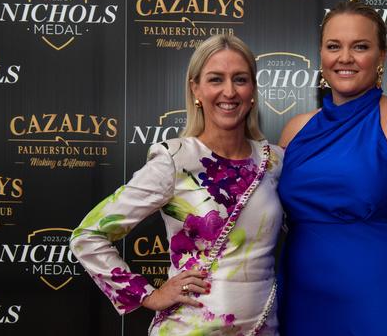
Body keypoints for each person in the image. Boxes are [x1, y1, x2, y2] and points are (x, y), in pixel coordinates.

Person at [70, 34, 284, 335]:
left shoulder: (274, 161)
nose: (229, 91)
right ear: (195, 89)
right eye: (215, 79)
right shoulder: (176, 159)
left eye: (240, 79)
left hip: (263, 328)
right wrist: (148, 294)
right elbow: (87, 235)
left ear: (252, 91)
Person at [277, 0, 387, 336]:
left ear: (382, 56)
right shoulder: (294, 130)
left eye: (360, 47)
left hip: (378, 305)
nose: (345, 58)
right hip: (301, 304)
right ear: (321, 55)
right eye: (333, 46)